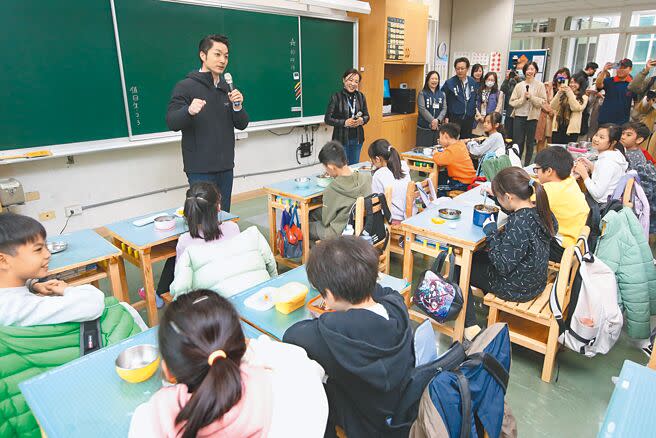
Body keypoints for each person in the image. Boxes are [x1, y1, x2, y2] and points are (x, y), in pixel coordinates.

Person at [129, 290, 328, 438]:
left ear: (168, 372)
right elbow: (302, 362)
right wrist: (257, 347)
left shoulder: (149, 421)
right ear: (241, 347)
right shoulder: (294, 396)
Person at [283, 236, 414, 438]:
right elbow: (386, 291)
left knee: (304, 382)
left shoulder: (333, 332)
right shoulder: (397, 308)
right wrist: (361, 282)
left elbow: (291, 335)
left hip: (361, 421)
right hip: (393, 410)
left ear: (329, 296)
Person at [462, 168, 556, 338]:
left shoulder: (518, 223)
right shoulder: (540, 210)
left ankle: (470, 327)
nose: (498, 200)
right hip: (535, 280)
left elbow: (502, 265)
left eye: (499, 197)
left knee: (462, 266)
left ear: (509, 197)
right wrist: (497, 199)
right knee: (477, 258)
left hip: (517, 288)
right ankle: (484, 304)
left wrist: (491, 231)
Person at [166, 34, 248, 213]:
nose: (223, 60)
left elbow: (242, 124)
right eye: (217, 54)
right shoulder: (185, 86)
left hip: (226, 166)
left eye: (226, 56)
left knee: (223, 214)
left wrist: (237, 106)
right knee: (203, 218)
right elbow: (171, 121)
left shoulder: (227, 88)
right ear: (203, 56)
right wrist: (188, 111)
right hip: (200, 168)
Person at [145, 182, 241, 308]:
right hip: (236, 287)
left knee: (174, 260)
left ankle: (158, 294)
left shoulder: (185, 241)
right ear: (218, 207)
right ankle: (158, 293)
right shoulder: (233, 228)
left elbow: (180, 277)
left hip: (204, 298)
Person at [0, 213, 105, 326]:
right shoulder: (19, 308)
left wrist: (33, 285)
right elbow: (93, 304)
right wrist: (67, 289)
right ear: (3, 261)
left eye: (46, 246)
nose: (47, 254)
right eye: (38, 249)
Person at [533, 147, 590, 262]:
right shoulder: (570, 181)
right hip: (576, 242)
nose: (536, 173)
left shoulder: (548, 190)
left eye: (536, 169)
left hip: (561, 250)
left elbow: (521, 203)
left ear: (548, 171)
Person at [309, 141, 371, 240]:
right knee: (315, 213)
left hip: (339, 232)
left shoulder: (332, 189)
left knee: (306, 225)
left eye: (325, 167)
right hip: (363, 226)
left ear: (330, 166)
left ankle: (320, 254)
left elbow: (326, 221)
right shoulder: (366, 177)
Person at [573, 124, 628, 205]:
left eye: (601, 137)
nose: (596, 139)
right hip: (606, 201)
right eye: (596, 135)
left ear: (613, 142)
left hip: (599, 205)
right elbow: (604, 176)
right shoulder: (615, 154)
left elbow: (597, 194)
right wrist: (591, 166)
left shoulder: (608, 163)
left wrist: (584, 174)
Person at [325, 68, 370, 165]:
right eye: (350, 80)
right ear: (344, 80)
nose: (353, 84)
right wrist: (344, 122)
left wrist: (362, 120)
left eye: (356, 81)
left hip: (357, 139)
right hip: (340, 140)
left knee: (354, 167)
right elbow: (328, 119)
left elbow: (367, 116)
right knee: (342, 167)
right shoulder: (336, 97)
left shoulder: (361, 97)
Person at [621, 122, 656, 235]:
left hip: (635, 199)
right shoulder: (635, 152)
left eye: (629, 135)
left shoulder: (632, 156)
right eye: (623, 133)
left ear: (639, 140)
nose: (623, 136)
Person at [509, 62, 547, 165]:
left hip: (532, 118)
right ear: (524, 71)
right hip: (519, 116)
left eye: (532, 69)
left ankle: (527, 165)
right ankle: (516, 164)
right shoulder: (519, 85)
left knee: (530, 143)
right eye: (528, 69)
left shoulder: (540, 85)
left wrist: (531, 97)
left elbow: (543, 102)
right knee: (518, 142)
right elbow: (511, 102)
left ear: (535, 71)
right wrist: (523, 99)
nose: (530, 71)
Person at [368, 139, 412, 223]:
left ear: (377, 159)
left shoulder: (379, 175)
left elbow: (376, 204)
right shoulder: (403, 165)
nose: (371, 162)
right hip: (410, 215)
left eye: (372, 160)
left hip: (393, 219)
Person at [433, 123, 476, 196]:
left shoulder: (451, 150)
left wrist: (435, 153)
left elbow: (439, 161)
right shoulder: (460, 144)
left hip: (461, 183)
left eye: (440, 137)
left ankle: (441, 203)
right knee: (441, 175)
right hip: (469, 179)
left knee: (438, 188)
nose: (439, 139)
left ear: (445, 136)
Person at [442, 57, 479, 139]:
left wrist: (475, 112)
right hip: (454, 118)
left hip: (469, 117)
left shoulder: (472, 82)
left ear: (467, 69)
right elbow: (444, 101)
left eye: (462, 68)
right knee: (453, 141)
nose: (460, 71)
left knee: (466, 141)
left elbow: (475, 98)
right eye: (457, 68)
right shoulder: (449, 83)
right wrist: (446, 116)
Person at [550, 74, 589, 144]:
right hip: (558, 126)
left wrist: (569, 93)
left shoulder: (584, 97)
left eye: (575, 82)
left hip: (571, 130)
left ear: (581, 84)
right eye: (571, 82)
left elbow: (576, 107)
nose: (572, 84)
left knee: (567, 152)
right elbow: (552, 106)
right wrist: (559, 93)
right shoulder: (563, 95)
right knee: (555, 150)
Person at [595, 58, 635, 126]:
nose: (620, 70)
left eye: (624, 68)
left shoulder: (633, 84)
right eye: (619, 67)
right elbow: (598, 85)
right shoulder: (609, 81)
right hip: (605, 120)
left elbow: (636, 103)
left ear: (630, 69)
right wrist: (604, 71)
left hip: (622, 122)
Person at [416, 71, 447, 146]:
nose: (434, 81)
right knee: (423, 150)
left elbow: (444, 108)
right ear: (428, 80)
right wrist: (432, 120)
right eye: (432, 79)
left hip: (437, 129)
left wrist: (437, 120)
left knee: (436, 150)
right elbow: (422, 109)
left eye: (436, 79)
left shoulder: (442, 94)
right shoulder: (422, 93)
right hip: (424, 128)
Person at [633, 90, 656, 158]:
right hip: (648, 128)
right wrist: (647, 100)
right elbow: (640, 110)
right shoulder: (654, 92)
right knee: (643, 154)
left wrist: (654, 104)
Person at [500, 70, 521, 138]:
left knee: (516, 134)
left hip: (518, 112)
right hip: (509, 111)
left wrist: (518, 79)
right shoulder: (509, 83)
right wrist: (506, 78)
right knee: (507, 133)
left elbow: (523, 89)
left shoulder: (521, 82)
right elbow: (502, 89)